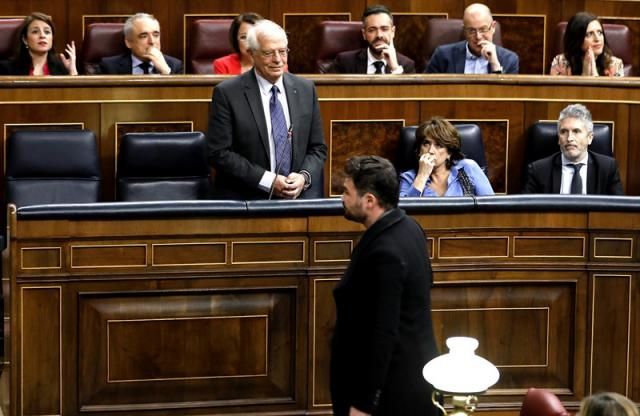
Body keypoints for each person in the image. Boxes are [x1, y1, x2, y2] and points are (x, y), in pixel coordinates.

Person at [331, 155, 439, 416]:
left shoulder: (385, 252)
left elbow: (382, 333)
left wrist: (364, 403)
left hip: (392, 394)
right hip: (413, 382)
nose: (342, 198)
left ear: (369, 201)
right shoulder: (410, 227)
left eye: (347, 192)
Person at [206, 19, 327, 200]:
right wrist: (267, 180)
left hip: (297, 199)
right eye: (268, 53)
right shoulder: (228, 93)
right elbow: (219, 153)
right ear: (252, 54)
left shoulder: (305, 89)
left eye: (282, 51)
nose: (278, 59)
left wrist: (304, 177)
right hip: (246, 199)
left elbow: (317, 148)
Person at [522, 104, 624, 195]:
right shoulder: (539, 170)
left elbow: (619, 211)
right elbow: (525, 211)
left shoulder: (607, 168)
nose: (569, 138)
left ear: (590, 138)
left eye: (576, 131)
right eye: (564, 132)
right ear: (558, 138)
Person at [399, 117, 494, 197]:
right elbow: (404, 212)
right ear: (419, 150)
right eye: (426, 144)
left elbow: (491, 207)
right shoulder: (409, 178)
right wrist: (422, 176)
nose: (431, 151)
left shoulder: (467, 168)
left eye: (439, 145)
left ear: (449, 152)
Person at [425, 3, 519, 74]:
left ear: (493, 27)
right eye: (471, 31)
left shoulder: (509, 60)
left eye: (483, 29)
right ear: (464, 31)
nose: (478, 36)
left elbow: (506, 96)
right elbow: (426, 91)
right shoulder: (443, 56)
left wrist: (495, 64)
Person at [327, 5, 415, 74]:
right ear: (364, 34)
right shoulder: (344, 62)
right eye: (372, 30)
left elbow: (410, 95)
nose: (379, 35)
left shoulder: (406, 65)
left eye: (384, 29)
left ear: (393, 32)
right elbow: (327, 92)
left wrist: (395, 68)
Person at [97, 13, 183, 74]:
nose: (152, 41)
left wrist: (166, 73)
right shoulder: (109, 67)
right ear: (128, 42)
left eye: (156, 35)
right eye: (144, 36)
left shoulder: (174, 66)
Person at [0, 12, 77, 76]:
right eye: (35, 32)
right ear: (25, 40)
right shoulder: (7, 69)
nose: (42, 36)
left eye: (47, 32)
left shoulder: (61, 68)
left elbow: (74, 94)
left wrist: (72, 71)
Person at [549, 12, 624, 77]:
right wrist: (584, 75)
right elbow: (558, 92)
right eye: (589, 34)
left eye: (600, 33)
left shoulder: (615, 65)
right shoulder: (560, 63)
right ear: (577, 39)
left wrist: (595, 74)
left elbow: (614, 94)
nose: (597, 39)